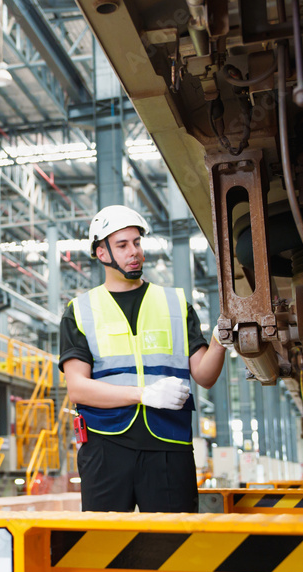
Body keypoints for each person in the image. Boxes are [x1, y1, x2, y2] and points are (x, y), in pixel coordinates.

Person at [59, 205, 227, 513]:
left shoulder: (175, 303)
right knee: (105, 546)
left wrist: (220, 340)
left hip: (169, 446)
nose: (134, 251)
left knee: (173, 543)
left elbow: (204, 375)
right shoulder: (79, 311)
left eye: (137, 242)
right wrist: (144, 394)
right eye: (122, 245)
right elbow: (78, 389)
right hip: (105, 447)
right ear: (102, 253)